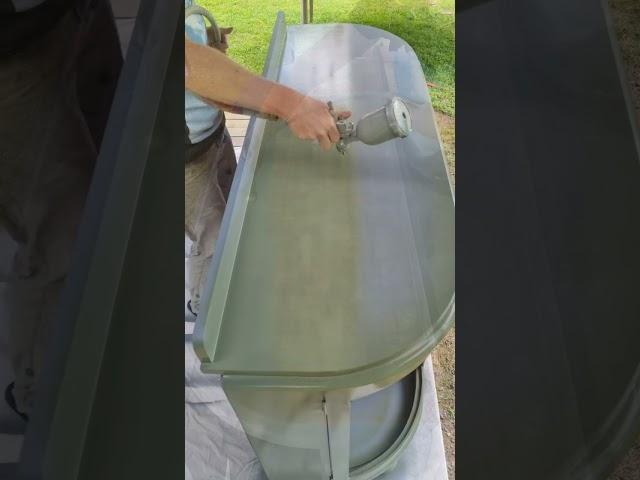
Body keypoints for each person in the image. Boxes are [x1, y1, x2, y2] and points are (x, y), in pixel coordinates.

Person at [183, 2, 350, 318]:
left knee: (231, 216)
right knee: (213, 241)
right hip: (182, 156)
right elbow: (181, 61)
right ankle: (205, 310)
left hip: (208, 131)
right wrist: (294, 106)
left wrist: (206, 46)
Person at [0, 0, 121, 422]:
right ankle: (36, 393)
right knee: (57, 228)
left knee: (110, 153)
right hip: (12, 52)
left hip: (72, 15)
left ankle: (93, 324)